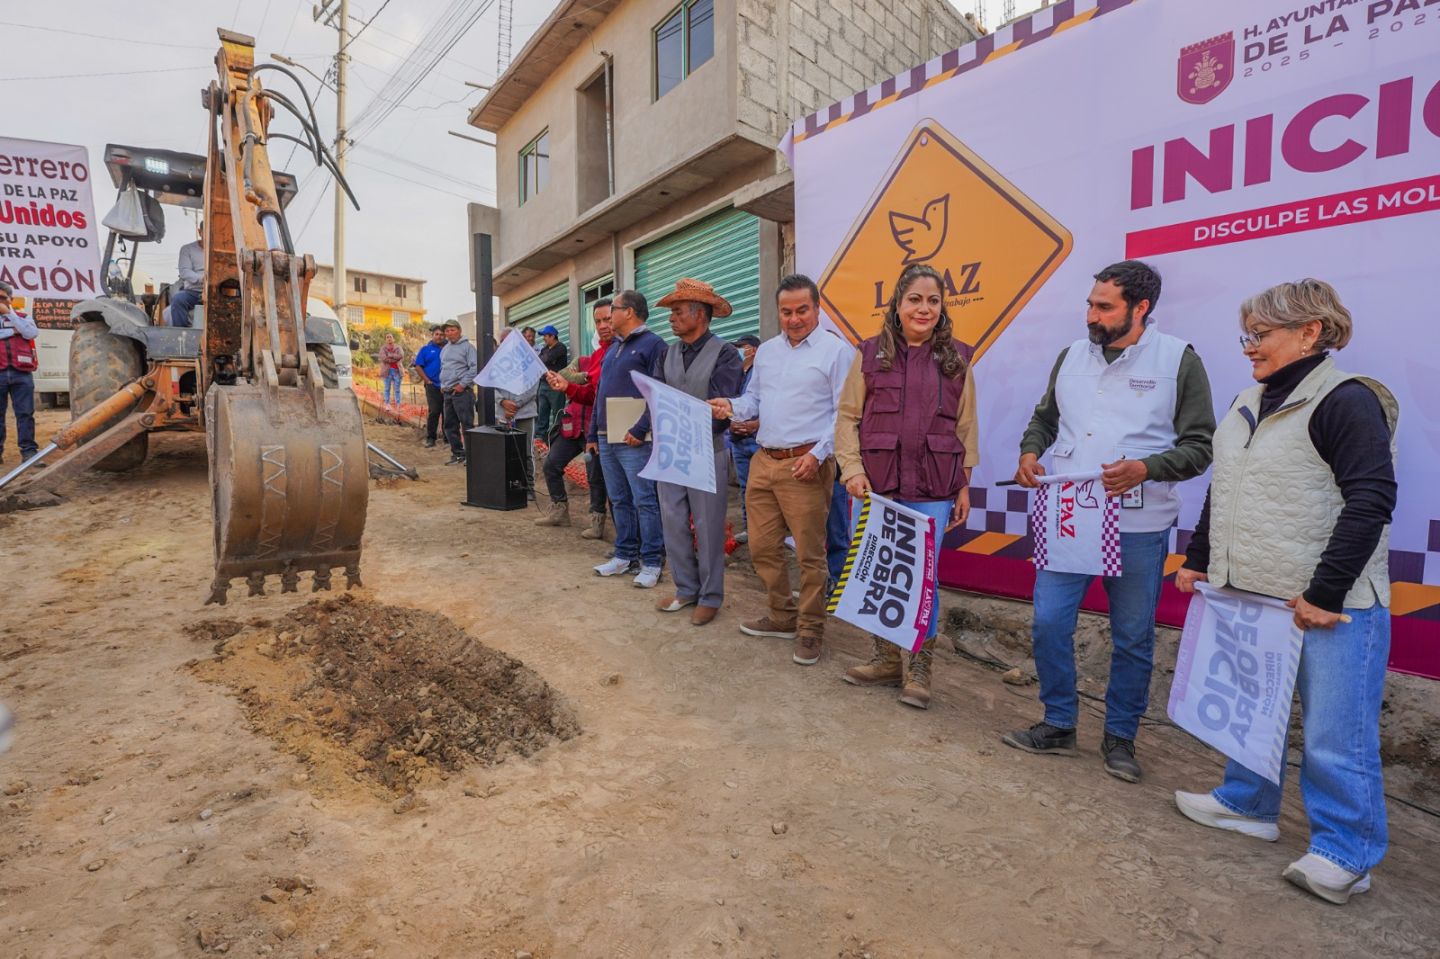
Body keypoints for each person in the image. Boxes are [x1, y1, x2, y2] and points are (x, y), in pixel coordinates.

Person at [1172, 279, 1398, 905]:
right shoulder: (1250, 399)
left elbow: (1372, 499)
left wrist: (1325, 593)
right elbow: (1228, 487)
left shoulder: (1346, 401)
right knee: (1254, 710)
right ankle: (1247, 805)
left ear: (1310, 333)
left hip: (1333, 607)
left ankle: (1346, 853)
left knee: (1335, 736)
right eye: (1246, 335)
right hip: (1256, 592)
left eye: (1260, 335)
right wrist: (1196, 560)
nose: (1249, 347)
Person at [1002, 260, 1215, 782]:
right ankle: (1058, 723)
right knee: (1049, 620)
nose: (1091, 315)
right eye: (1090, 304)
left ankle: (1120, 736)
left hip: (1139, 524)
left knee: (1133, 635)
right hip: (1071, 514)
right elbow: (1044, 418)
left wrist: (1147, 469)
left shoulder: (1178, 360)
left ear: (1141, 308)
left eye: (1104, 307)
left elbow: (1200, 447)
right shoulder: (1071, 356)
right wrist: (1032, 451)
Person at [834, 263, 978, 709]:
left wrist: (964, 486)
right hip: (876, 486)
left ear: (942, 307)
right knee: (880, 573)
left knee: (923, 581)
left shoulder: (957, 358)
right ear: (898, 304)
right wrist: (852, 468)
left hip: (934, 488)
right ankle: (884, 658)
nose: (924, 308)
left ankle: (919, 668)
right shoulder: (870, 353)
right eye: (915, 299)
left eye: (933, 300)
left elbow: (966, 427)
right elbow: (848, 417)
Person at [708, 274, 854, 666]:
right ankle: (781, 615)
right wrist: (730, 406)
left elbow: (845, 413)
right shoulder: (768, 352)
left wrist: (821, 455)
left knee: (809, 554)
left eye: (802, 310)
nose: (794, 319)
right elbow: (754, 400)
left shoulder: (835, 353)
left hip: (806, 466)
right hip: (764, 462)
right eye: (786, 312)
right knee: (761, 547)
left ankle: (810, 628)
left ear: (817, 308)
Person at [644, 279, 744, 626]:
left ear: (699, 315)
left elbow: (722, 402)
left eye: (677, 311)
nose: (671, 318)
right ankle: (685, 589)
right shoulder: (666, 353)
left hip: (706, 449)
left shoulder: (727, 353)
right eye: (671, 311)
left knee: (708, 524)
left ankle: (711, 595)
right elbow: (656, 396)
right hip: (671, 450)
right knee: (672, 520)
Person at [587, 290, 667, 588]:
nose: (608, 318)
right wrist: (594, 433)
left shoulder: (653, 345)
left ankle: (652, 561)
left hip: (636, 438)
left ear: (629, 312)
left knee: (644, 499)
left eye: (614, 311)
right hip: (608, 436)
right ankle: (625, 554)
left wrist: (640, 427)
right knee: (619, 498)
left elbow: (658, 392)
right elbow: (601, 393)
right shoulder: (613, 348)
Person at [538, 299, 616, 534]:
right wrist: (575, 379)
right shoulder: (586, 359)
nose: (602, 326)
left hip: (596, 426)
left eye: (607, 320)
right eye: (597, 321)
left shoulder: (615, 355)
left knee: (596, 476)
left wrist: (577, 379)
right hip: (573, 425)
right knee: (551, 464)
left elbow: (591, 389)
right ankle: (559, 509)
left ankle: (598, 521)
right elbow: (567, 374)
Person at [0, 281, 41, 466]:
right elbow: (21, 333)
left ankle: (29, 452)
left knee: (25, 414)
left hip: (21, 374)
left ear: (10, 299)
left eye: (2, 298)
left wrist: (9, 315)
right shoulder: (20, 322)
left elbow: (30, 332)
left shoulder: (23, 317)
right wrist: (13, 331)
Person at [494, 328, 539, 494]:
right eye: (502, 340)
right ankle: (509, 487)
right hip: (503, 414)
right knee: (505, 452)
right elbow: (490, 385)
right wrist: (503, 402)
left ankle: (529, 487)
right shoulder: (497, 362)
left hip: (525, 414)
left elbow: (533, 387)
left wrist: (515, 405)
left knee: (526, 452)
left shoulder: (530, 360)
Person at [726, 334, 761, 542]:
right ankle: (749, 529)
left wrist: (755, 425)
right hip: (738, 441)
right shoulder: (737, 373)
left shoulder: (763, 373)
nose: (740, 351)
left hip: (757, 440)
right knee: (745, 488)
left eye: (743, 347)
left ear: (754, 350)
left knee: (762, 491)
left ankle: (767, 531)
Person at [439, 319, 478, 465]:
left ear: (459, 330)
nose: (449, 333)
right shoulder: (445, 349)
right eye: (447, 331)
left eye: (452, 330)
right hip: (448, 393)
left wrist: (462, 385)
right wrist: (443, 384)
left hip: (462, 393)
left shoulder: (468, 347)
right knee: (449, 426)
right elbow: (444, 368)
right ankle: (458, 454)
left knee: (467, 425)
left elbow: (475, 368)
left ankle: (471, 456)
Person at [412, 325, 447, 448]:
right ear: (432, 336)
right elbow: (418, 366)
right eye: (437, 334)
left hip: (447, 386)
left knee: (447, 412)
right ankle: (431, 438)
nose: (439, 336)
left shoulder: (449, 348)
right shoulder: (425, 349)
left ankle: (447, 438)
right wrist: (427, 380)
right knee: (435, 411)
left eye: (442, 334)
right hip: (432, 386)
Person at [535, 325, 570, 440]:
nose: (544, 338)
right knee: (542, 413)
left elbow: (545, 360)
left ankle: (556, 439)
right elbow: (538, 362)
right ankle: (540, 440)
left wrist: (542, 360)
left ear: (553, 336)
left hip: (556, 385)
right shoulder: (545, 349)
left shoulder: (560, 348)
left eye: (546, 336)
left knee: (557, 414)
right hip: (543, 384)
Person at [170, 222, 204, 328]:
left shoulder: (222, 249)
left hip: (218, 292)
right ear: (200, 232)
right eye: (207, 232)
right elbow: (184, 272)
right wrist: (203, 278)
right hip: (194, 292)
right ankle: (181, 335)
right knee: (178, 300)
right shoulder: (187, 249)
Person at [379, 333, 405, 413]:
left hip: (397, 370)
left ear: (393, 339)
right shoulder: (383, 349)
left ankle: (398, 405)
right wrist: (394, 358)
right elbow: (384, 358)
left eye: (390, 337)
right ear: (385, 339)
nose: (389, 338)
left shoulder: (398, 347)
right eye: (387, 337)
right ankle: (387, 404)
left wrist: (390, 355)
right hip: (387, 371)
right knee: (387, 388)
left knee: (397, 389)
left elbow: (401, 356)